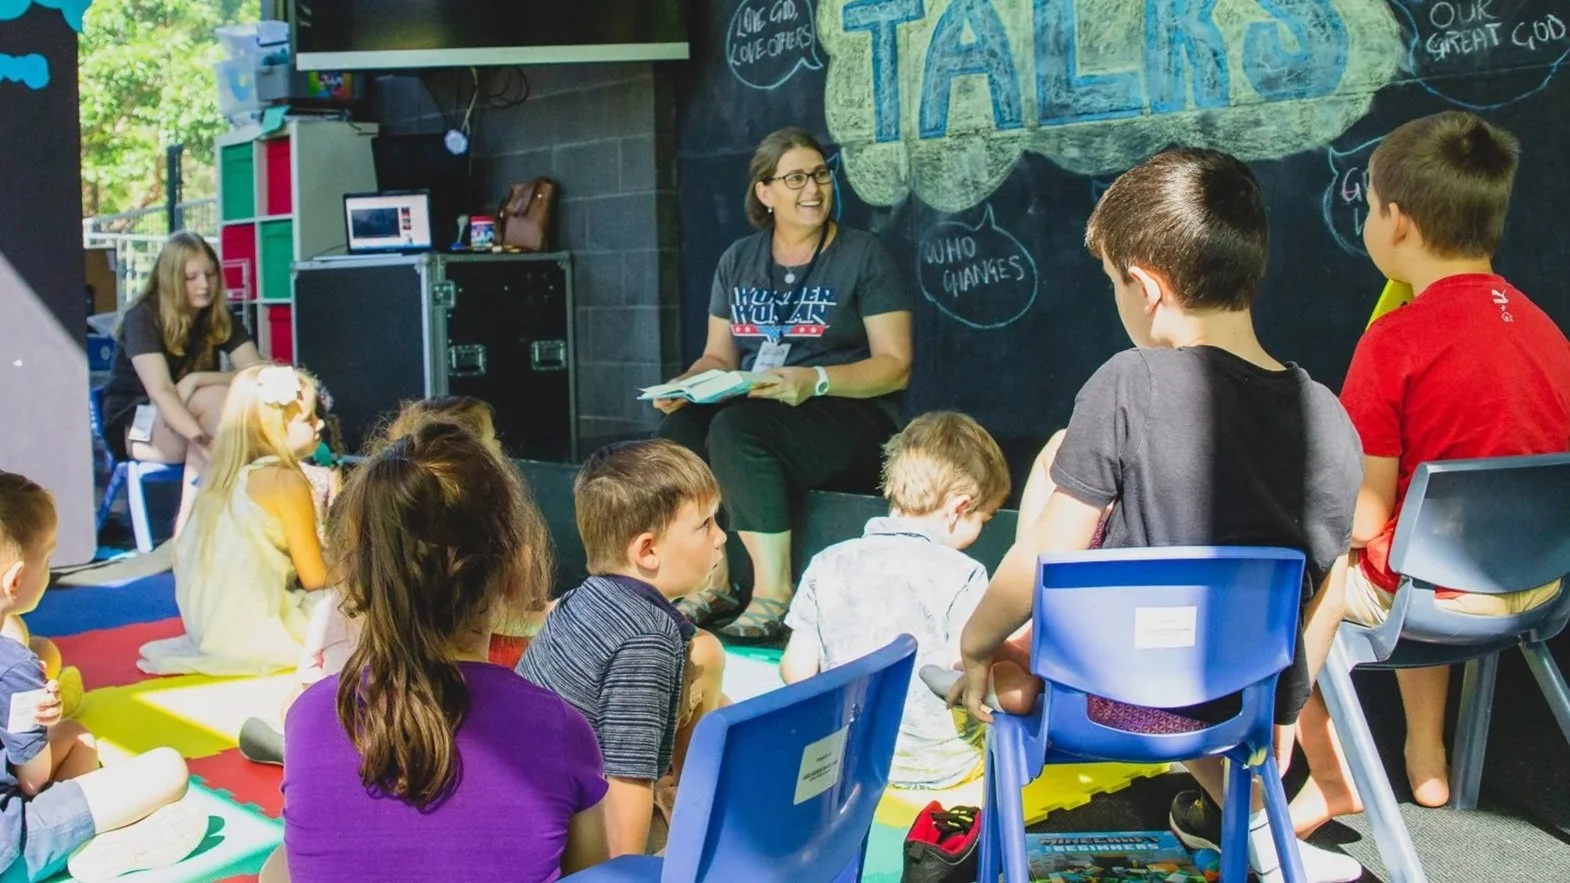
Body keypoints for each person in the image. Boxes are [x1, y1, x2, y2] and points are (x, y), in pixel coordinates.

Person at [951, 149, 1365, 883]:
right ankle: (1268, 840)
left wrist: (977, 641)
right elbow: (1329, 588)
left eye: (1113, 282)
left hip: (1106, 697)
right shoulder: (1328, 417)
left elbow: (1048, 552)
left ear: (1145, 285)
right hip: (1234, 700)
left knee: (997, 672)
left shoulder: (1127, 382)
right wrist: (1283, 709)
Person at [1290, 111, 1570, 832]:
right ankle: (1427, 756)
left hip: (1431, 597)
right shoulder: (1546, 329)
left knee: (1289, 578)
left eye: (1370, 207)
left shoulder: (1395, 340)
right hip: (1539, 588)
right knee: (1422, 539)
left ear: (1400, 223)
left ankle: (1327, 774)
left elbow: (1362, 518)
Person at [268, 421, 607, 882]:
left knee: (276, 866)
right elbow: (596, 874)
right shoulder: (560, 728)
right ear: (516, 568)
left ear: (360, 576)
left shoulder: (309, 718)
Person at [655, 127, 914, 642]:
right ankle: (715, 577)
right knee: (682, 428)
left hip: (851, 410)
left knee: (737, 430)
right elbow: (718, 355)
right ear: (765, 192)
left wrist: (814, 380)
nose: (813, 189)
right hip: (765, 402)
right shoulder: (739, 260)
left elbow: (895, 364)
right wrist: (684, 384)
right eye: (795, 178)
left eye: (820, 174)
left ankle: (773, 591)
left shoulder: (863, 255)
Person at [238, 395, 551, 765]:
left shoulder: (317, 711)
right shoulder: (546, 721)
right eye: (490, 440)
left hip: (338, 722)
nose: (499, 448)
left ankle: (297, 748)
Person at [517, 440, 729, 857]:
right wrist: (623, 870)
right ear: (647, 550)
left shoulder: (584, 596)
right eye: (706, 524)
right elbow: (625, 781)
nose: (721, 536)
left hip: (535, 799)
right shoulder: (647, 640)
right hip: (566, 837)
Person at [779, 411, 1010, 789]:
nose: (983, 530)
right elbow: (963, 673)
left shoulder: (827, 562)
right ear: (960, 508)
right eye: (986, 517)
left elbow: (795, 671)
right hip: (942, 768)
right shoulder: (964, 574)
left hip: (846, 766)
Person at [0, 471, 206, 882]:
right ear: (17, 580)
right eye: (49, 557)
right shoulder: (14, 668)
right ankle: (94, 845)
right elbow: (32, 778)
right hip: (12, 846)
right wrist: (37, 722)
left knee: (77, 734)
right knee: (168, 768)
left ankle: (84, 831)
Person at [138, 365, 330, 676]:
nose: (319, 423)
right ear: (276, 427)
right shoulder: (284, 481)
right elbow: (316, 578)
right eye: (308, 418)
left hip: (209, 634)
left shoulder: (221, 478)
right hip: (260, 636)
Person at [101, 231, 264, 535]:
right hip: (138, 423)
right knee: (217, 400)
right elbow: (161, 391)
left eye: (210, 274)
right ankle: (204, 524)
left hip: (197, 415)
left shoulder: (217, 315)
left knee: (218, 394)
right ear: (173, 280)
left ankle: (191, 527)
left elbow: (257, 373)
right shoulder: (144, 317)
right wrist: (206, 443)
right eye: (192, 277)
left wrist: (197, 378)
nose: (204, 284)